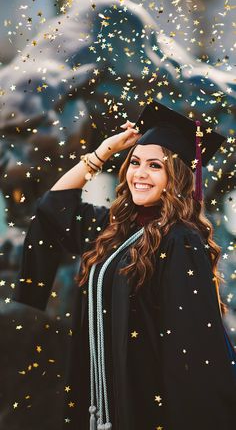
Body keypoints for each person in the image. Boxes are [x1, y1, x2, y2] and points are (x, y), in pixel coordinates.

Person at [14, 101, 236, 430]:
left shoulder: (180, 241)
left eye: (155, 166)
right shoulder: (114, 229)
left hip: (144, 405)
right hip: (100, 400)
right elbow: (53, 206)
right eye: (134, 163)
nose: (140, 174)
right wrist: (102, 152)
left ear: (176, 177)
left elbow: (192, 346)